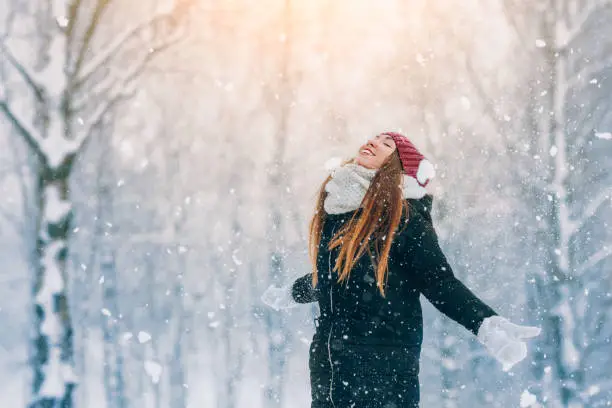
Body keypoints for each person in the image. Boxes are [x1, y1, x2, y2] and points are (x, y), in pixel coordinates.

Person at [262, 132, 541, 408]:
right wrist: (293, 293)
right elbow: (336, 278)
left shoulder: (403, 217)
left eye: (387, 145)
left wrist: (485, 324)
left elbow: (438, 282)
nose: (373, 142)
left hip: (382, 369)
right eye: (375, 138)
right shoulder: (341, 211)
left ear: (397, 168)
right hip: (330, 369)